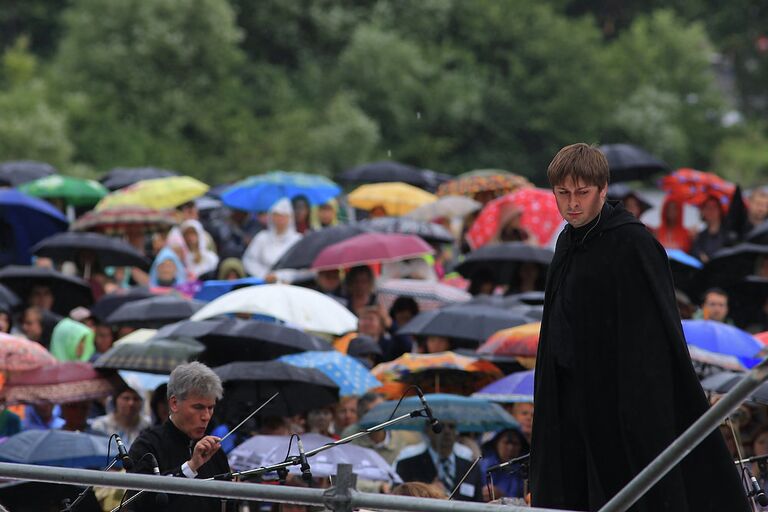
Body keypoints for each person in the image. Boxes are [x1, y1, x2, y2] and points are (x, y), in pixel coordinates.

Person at [531, 143, 749, 511]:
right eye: (563, 193)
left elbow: (651, 337)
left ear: (603, 190)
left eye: (582, 193)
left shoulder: (632, 242)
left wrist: (634, 403)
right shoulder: (567, 241)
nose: (572, 203)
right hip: (569, 397)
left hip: (619, 401)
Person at [127, 362, 230, 511]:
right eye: (198, 407)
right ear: (174, 403)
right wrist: (190, 467)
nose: (206, 416)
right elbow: (139, 502)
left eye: (211, 407)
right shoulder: (147, 446)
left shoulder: (215, 451)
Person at [395, 420, 483, 501]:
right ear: (427, 430)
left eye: (451, 427)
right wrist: (428, 490)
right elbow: (397, 498)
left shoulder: (471, 467)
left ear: (457, 432)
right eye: (440, 426)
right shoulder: (407, 465)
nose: (447, 431)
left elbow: (479, 503)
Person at [243, 198, 302, 281]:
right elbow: (249, 260)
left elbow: (302, 267)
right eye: (277, 215)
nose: (280, 219)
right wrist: (264, 275)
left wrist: (283, 276)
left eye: (284, 216)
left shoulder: (298, 240)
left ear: (290, 218)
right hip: (263, 283)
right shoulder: (262, 237)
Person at [480, 428, 529, 498]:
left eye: (515, 444)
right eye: (506, 442)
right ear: (496, 444)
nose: (510, 448)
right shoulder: (482, 467)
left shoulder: (525, 471)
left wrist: (502, 496)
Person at [690, 195, 727, 262]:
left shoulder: (727, 234)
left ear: (720, 210)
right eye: (707, 208)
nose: (710, 211)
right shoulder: (700, 235)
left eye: (714, 207)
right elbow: (694, 253)